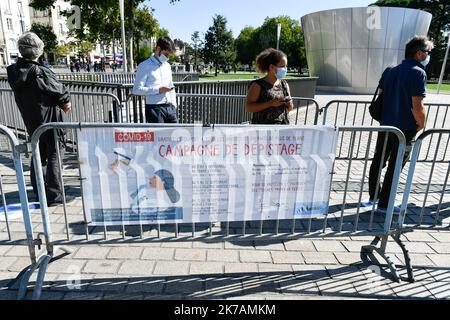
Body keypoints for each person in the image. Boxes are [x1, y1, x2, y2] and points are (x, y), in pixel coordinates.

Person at [365, 36, 433, 214]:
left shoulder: (390, 70)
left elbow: (382, 94)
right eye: (427, 52)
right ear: (419, 54)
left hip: (386, 124)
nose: (428, 56)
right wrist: (421, 125)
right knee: (396, 165)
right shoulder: (418, 72)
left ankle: (374, 196)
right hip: (406, 127)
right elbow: (417, 106)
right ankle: (385, 205)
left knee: (379, 160)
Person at [7, 32, 72, 207]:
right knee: (54, 156)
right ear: (38, 50)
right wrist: (65, 102)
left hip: (32, 121)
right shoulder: (39, 71)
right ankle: (54, 196)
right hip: (50, 120)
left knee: (38, 156)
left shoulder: (15, 72)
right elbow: (60, 91)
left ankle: (40, 192)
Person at [132, 37, 178, 123]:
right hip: (154, 109)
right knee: (158, 136)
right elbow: (136, 89)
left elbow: (171, 87)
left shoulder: (167, 66)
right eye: (166, 54)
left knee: (174, 134)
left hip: (170, 108)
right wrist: (158, 90)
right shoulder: (144, 65)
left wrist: (174, 106)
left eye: (169, 56)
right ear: (158, 49)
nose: (167, 58)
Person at [245, 48, 294, 124]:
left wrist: (289, 103)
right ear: (271, 67)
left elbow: (290, 108)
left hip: (282, 129)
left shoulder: (284, 84)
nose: (285, 69)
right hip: (263, 130)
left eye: (286, 66)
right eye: (282, 66)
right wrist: (270, 103)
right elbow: (249, 107)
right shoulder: (257, 85)